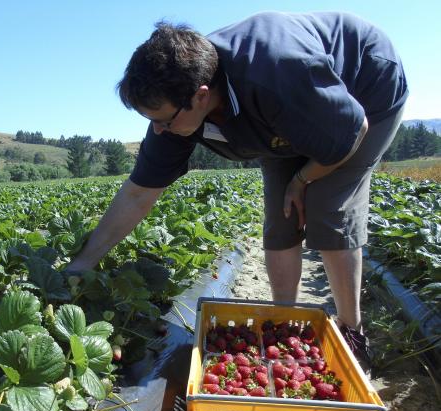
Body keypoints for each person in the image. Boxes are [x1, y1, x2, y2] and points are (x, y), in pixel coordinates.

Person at [67, 11, 408, 365]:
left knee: (329, 206)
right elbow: (139, 193)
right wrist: (82, 264)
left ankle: (353, 331)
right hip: (279, 118)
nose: (158, 131)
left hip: (364, 90)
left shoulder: (277, 72)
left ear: (200, 96)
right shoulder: (174, 107)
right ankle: (284, 324)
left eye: (163, 120)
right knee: (281, 216)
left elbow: (351, 131)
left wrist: (303, 179)